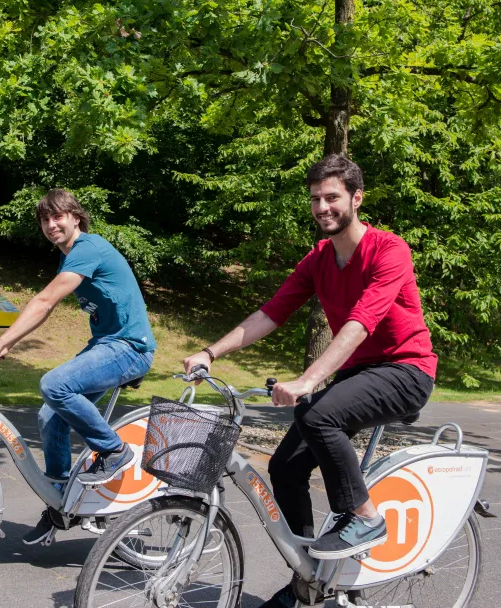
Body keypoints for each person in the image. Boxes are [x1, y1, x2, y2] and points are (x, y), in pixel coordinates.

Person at [182, 155, 436, 607]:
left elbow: (362, 321)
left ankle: (365, 518)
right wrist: (210, 352)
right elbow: (271, 312)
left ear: (356, 199)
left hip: (407, 369)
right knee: (284, 466)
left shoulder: (389, 249)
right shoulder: (319, 258)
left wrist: (308, 379)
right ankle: (308, 576)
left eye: (332, 197)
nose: (323, 207)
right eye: (316, 199)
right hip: (362, 371)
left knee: (317, 412)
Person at [0, 189, 156, 545]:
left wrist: (1, 339)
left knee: (55, 385)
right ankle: (60, 501)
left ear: (76, 217)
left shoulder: (87, 248)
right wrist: (9, 344)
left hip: (129, 347)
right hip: (107, 346)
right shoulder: (71, 258)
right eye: (44, 219)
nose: (50, 224)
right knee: (49, 416)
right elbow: (48, 307)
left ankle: (114, 451)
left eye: (57, 216)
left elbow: (45, 301)